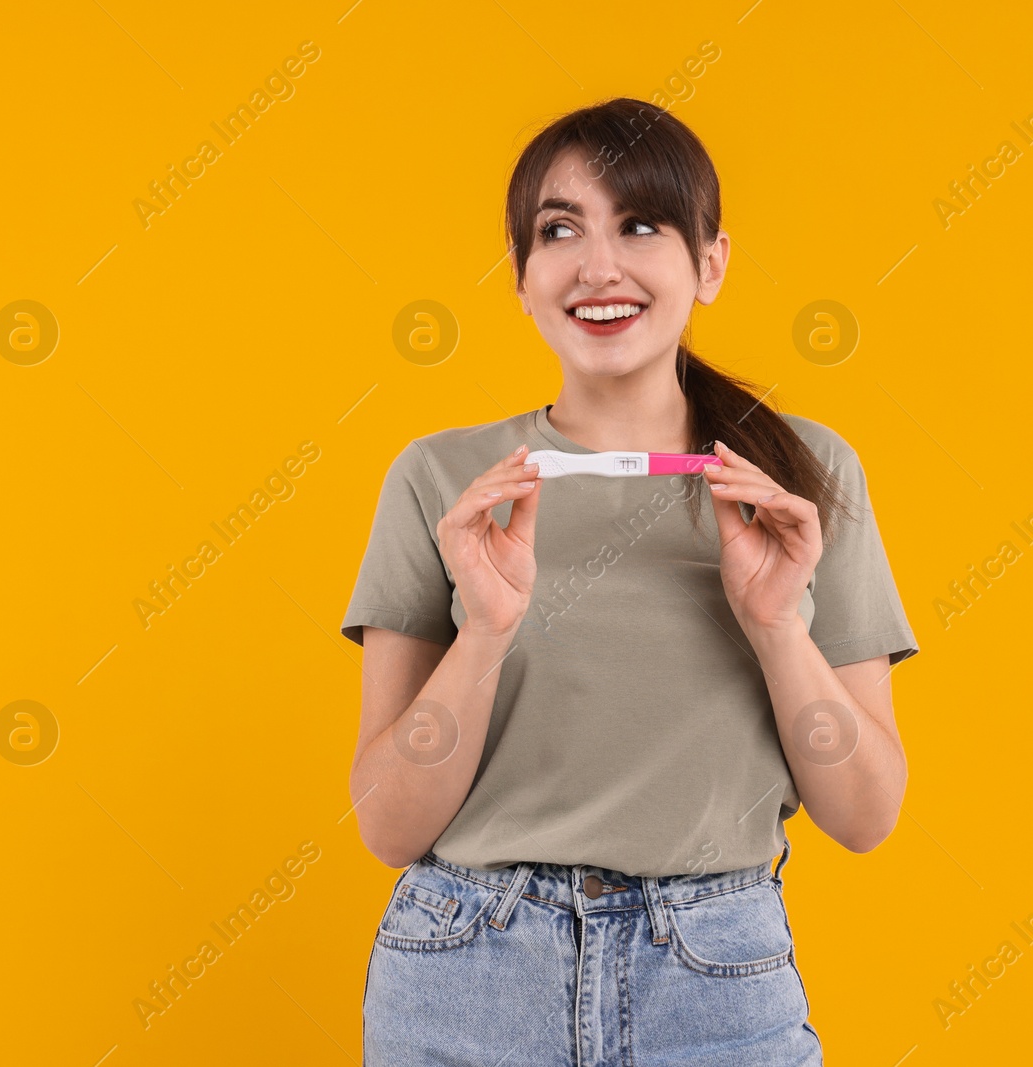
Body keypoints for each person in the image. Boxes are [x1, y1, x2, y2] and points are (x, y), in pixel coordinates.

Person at [339, 97, 919, 1065]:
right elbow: (390, 825)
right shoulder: (440, 480)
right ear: (520, 278)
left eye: (640, 224)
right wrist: (483, 629)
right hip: (467, 971)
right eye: (558, 230)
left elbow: (864, 813)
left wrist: (775, 625)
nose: (596, 265)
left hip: (714, 975)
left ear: (710, 262)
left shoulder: (802, 478)